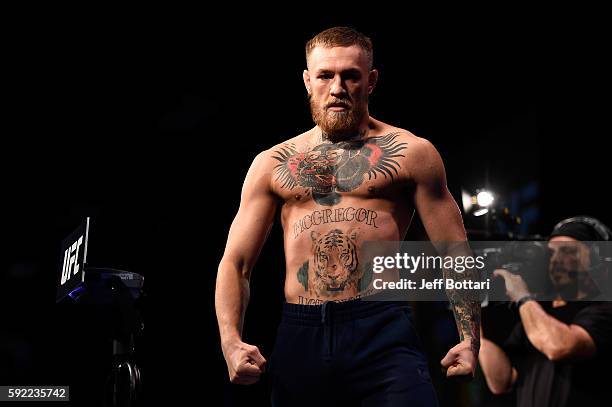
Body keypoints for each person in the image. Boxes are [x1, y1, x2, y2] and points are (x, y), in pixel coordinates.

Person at [215, 26, 480, 406]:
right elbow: (235, 262)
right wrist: (230, 341)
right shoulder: (272, 164)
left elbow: (455, 251)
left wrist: (470, 340)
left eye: (350, 75)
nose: (337, 87)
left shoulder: (412, 153)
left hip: (381, 328)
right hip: (300, 331)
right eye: (325, 75)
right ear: (308, 81)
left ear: (370, 81)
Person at [480, 216, 612, 407]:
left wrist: (522, 297)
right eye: (551, 253)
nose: (556, 260)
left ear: (597, 260)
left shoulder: (604, 310)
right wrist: (472, 317)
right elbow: (501, 382)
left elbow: (559, 346)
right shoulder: (539, 313)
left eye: (568, 252)